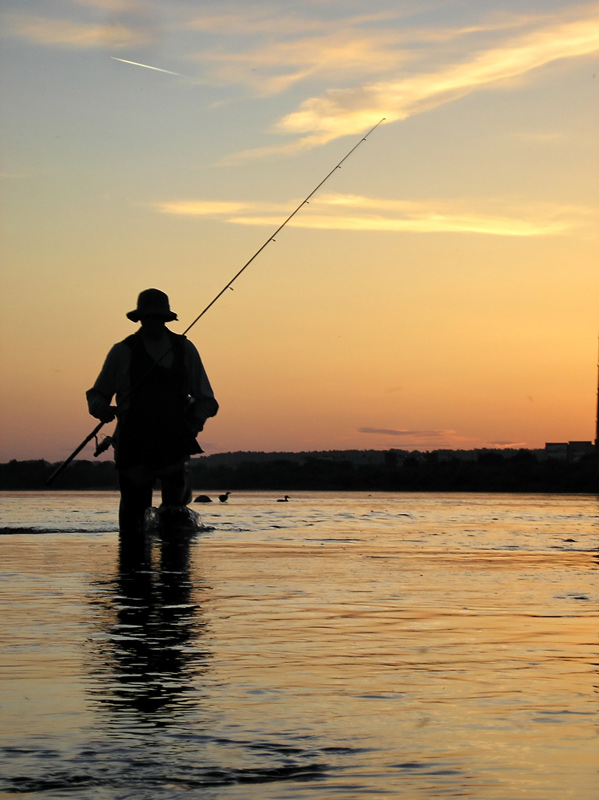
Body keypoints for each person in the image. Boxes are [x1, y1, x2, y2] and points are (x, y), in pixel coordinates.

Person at [86, 289, 218, 535]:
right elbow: (96, 394)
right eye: (148, 317)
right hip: (133, 443)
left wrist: (196, 423)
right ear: (140, 318)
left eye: (158, 317)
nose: (153, 322)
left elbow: (207, 400)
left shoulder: (185, 349)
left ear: (166, 319)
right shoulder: (121, 351)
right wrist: (100, 408)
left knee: (177, 519)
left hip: (175, 443)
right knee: (133, 519)